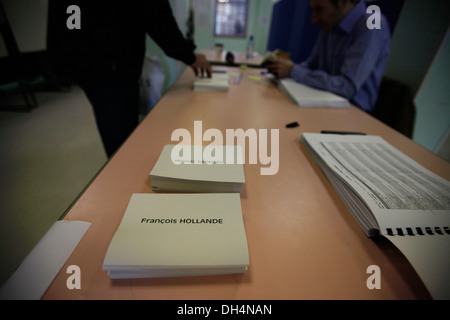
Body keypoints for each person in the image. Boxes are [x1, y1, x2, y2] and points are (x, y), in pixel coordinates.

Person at [47, 1, 211, 157]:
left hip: (89, 63)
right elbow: (156, 15)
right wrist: (188, 55)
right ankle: (123, 180)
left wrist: (63, 54)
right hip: (112, 66)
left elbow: (67, 15)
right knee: (121, 143)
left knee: (116, 128)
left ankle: (123, 171)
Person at [266, 0, 390, 113]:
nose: (314, 19)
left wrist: (293, 71)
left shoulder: (372, 22)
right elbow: (311, 65)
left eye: (319, 9)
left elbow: (347, 87)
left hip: (354, 112)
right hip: (322, 101)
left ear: (343, 2)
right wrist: (286, 70)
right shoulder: (332, 23)